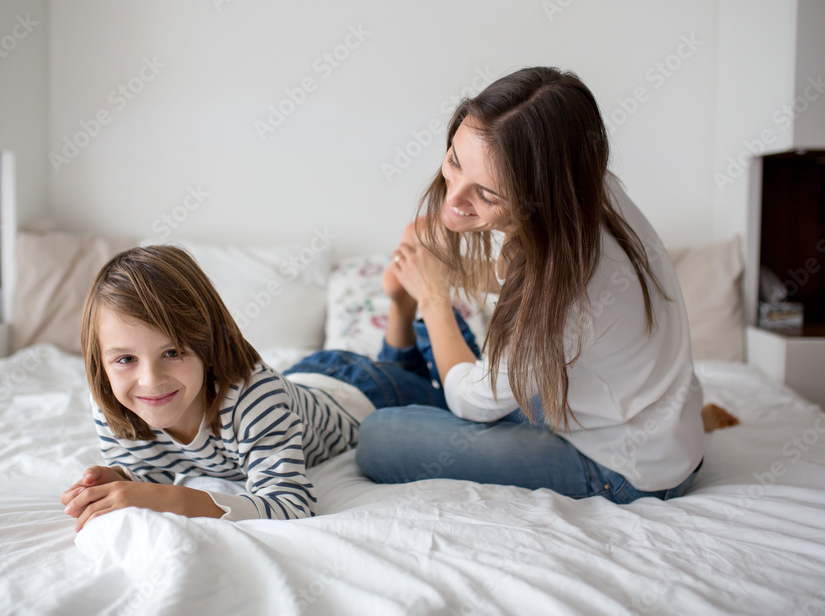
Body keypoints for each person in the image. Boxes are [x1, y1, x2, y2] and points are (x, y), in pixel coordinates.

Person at [354, 66, 737, 504]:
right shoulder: (591, 190)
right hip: (643, 421)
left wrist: (435, 298)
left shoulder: (570, 284)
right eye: (455, 162)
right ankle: (683, 425)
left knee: (381, 438)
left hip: (626, 467)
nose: (454, 198)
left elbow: (473, 403)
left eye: (487, 194)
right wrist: (443, 275)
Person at [60, 245, 463, 530]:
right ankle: (400, 309)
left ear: (208, 345)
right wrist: (118, 477)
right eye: (126, 359)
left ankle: (418, 304)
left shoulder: (252, 398)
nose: (149, 381)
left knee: (443, 394)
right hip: (303, 381)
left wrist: (170, 501)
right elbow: (152, 472)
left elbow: (291, 505)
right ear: (101, 362)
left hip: (362, 393)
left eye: (172, 352)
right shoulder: (118, 402)